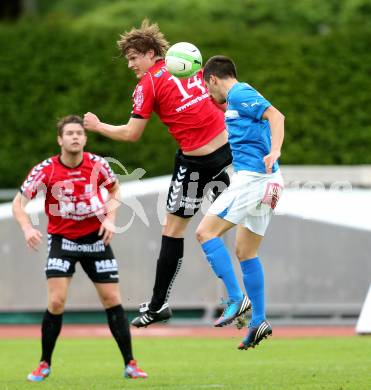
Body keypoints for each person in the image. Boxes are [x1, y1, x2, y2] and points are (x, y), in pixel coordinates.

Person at [83, 20, 250, 328]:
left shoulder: (148, 84)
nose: (131, 64)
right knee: (236, 226)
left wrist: (98, 126)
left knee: (174, 232)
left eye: (134, 57)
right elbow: (223, 98)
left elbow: (132, 134)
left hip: (197, 166)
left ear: (150, 53)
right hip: (231, 154)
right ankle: (244, 301)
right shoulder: (193, 67)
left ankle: (160, 305)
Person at [12, 115, 147, 381]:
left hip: (95, 239)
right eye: (69, 133)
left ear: (85, 139)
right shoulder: (46, 169)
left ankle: (130, 363)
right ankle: (44, 364)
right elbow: (19, 203)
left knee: (112, 299)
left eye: (79, 133)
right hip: (62, 240)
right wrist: (28, 228)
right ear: (60, 140)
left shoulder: (98, 164)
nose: (75, 137)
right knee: (56, 301)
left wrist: (110, 218)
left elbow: (115, 189)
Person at [195, 56, 285, 349]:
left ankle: (237, 298)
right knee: (246, 252)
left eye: (208, 88)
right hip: (269, 182)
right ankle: (259, 320)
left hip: (254, 179)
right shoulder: (234, 101)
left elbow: (277, 116)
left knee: (205, 232)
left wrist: (274, 149)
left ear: (214, 79)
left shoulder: (241, 93)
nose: (209, 96)